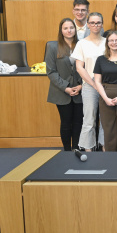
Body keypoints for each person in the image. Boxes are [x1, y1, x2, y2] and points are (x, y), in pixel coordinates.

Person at [46, 19, 83, 151]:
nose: (69, 30)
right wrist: (65, 87)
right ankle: (67, 150)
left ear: (75, 29)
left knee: (79, 122)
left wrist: (81, 85)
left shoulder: (82, 44)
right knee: (66, 122)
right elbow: (51, 71)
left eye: (71, 28)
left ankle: (76, 148)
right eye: (65, 28)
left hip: (80, 90)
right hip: (62, 91)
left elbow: (89, 68)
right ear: (61, 31)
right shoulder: (53, 47)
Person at [72, 12, 106, 151]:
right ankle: (88, 150)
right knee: (89, 120)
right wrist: (93, 85)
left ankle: (105, 148)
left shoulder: (108, 42)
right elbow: (79, 67)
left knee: (105, 120)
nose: (95, 25)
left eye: (98, 23)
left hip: (106, 84)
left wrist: (100, 85)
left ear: (102, 24)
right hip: (89, 84)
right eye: (92, 23)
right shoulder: (82, 43)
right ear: (88, 25)